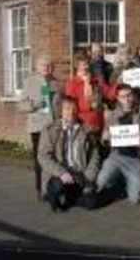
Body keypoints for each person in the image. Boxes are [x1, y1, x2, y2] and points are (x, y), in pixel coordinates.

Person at [38, 96, 101, 212]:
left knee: (91, 204)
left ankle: (70, 197)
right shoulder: (50, 130)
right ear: (61, 111)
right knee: (57, 187)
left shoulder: (86, 130)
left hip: (79, 173)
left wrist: (89, 177)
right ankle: (53, 195)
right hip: (58, 174)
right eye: (67, 109)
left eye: (74, 109)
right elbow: (43, 156)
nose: (71, 112)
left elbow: (94, 156)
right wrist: (61, 173)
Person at [96, 84, 140, 205]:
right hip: (117, 156)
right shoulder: (113, 114)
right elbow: (104, 139)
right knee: (101, 183)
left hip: (136, 158)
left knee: (136, 198)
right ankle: (121, 181)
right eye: (123, 97)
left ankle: (127, 182)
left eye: (129, 95)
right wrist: (105, 137)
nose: (127, 99)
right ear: (117, 98)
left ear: (133, 95)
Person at [19, 55, 61, 201]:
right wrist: (36, 104)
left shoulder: (55, 83)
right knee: (39, 159)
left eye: (50, 66)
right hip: (37, 127)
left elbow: (60, 104)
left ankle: (53, 187)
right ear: (37, 67)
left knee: (54, 158)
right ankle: (40, 190)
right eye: (44, 65)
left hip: (53, 127)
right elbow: (21, 105)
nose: (47, 68)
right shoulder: (29, 82)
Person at [65, 51, 115, 134]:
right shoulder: (72, 83)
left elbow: (109, 93)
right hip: (82, 123)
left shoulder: (97, 80)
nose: (87, 67)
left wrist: (120, 85)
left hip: (98, 121)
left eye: (88, 63)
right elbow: (71, 105)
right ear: (77, 66)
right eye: (84, 65)